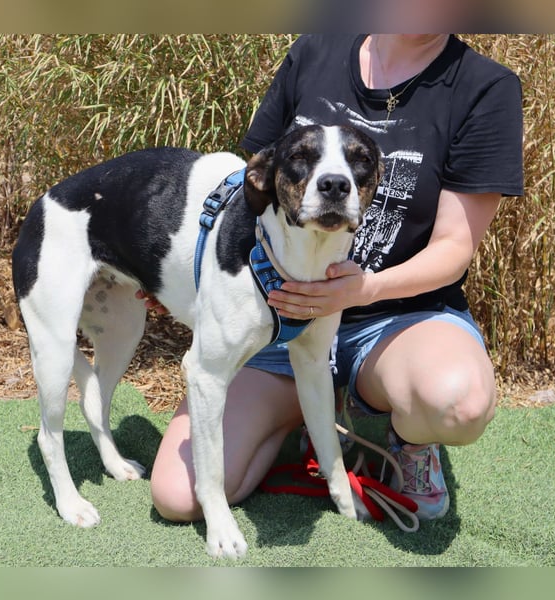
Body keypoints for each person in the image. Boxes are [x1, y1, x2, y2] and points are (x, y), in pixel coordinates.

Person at [146, 34, 524, 523]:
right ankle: (304, 414)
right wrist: (179, 277)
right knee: (180, 497)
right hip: (279, 317)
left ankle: (391, 432)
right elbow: (253, 188)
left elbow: (454, 247)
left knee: (459, 402)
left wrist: (363, 288)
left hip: (395, 321)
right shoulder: (315, 52)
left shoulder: (484, 87)